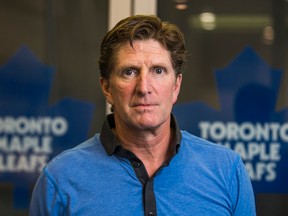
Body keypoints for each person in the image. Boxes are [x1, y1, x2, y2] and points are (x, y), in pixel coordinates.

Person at [30, 15, 256, 216]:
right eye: (129, 72)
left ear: (176, 86)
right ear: (107, 87)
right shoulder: (60, 179)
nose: (144, 87)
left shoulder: (226, 170)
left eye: (158, 71)